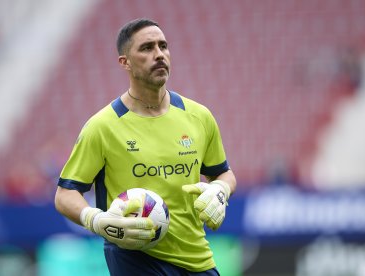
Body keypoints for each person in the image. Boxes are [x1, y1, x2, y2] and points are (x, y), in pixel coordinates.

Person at [54, 18, 237, 275]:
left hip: (197, 259)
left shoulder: (199, 116)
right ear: (125, 62)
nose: (159, 54)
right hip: (135, 258)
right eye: (147, 48)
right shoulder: (103, 126)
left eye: (163, 46)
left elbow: (223, 173)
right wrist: (96, 220)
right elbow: (65, 194)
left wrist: (220, 189)